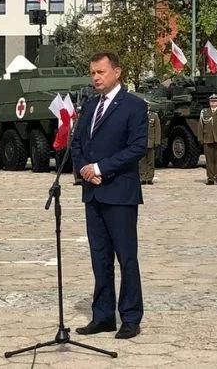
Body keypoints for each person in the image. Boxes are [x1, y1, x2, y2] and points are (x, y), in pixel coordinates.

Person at [71, 51, 146, 340]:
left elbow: (137, 147)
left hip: (120, 193)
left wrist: (102, 168)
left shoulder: (134, 106)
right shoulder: (89, 106)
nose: (95, 77)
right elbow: (77, 143)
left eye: (101, 72)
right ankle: (102, 316)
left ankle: (130, 316)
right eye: (92, 72)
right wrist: (84, 170)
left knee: (126, 258)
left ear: (117, 71)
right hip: (93, 193)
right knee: (99, 257)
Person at [140, 109, 162, 185]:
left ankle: (149, 178)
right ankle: (142, 178)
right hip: (141, 142)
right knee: (141, 161)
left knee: (151, 161)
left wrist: (157, 142)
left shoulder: (154, 116)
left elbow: (158, 129)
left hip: (151, 142)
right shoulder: (139, 115)